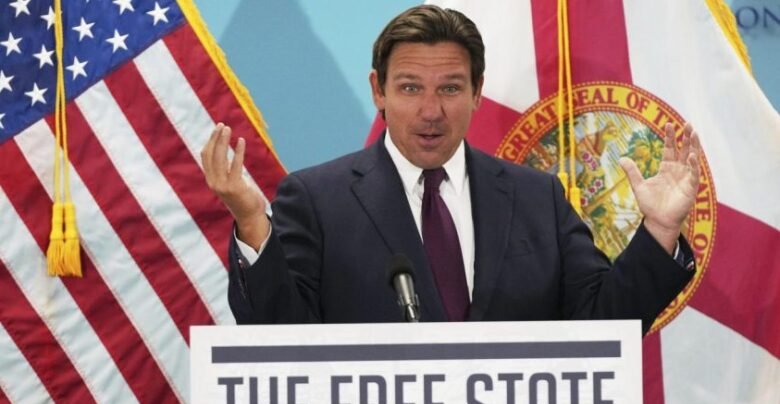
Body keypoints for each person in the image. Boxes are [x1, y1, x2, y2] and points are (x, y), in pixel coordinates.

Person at [200, 5, 699, 334]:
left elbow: (604, 327)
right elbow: (278, 340)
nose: (431, 111)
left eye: (451, 88)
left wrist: (659, 230)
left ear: (477, 91)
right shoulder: (317, 200)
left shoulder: (537, 199)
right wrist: (251, 221)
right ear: (378, 91)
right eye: (410, 88)